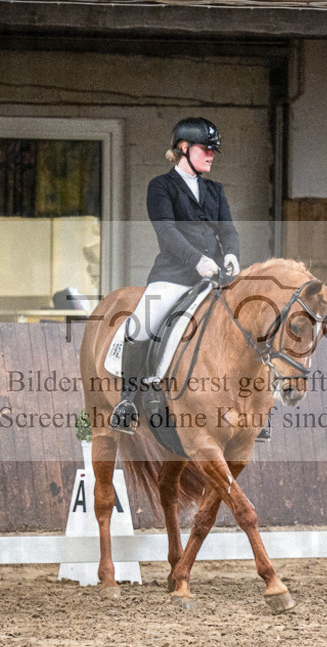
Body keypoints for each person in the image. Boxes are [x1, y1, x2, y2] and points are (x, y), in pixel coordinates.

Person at [110, 117, 241, 434]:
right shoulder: (161, 186)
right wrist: (197, 260)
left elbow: (228, 230)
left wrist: (231, 254)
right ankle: (127, 402)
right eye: (206, 149)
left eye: (213, 150)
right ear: (184, 148)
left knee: (248, 326)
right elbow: (166, 231)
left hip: (214, 278)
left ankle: (251, 407)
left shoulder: (215, 190)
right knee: (140, 326)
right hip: (174, 275)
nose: (211, 155)